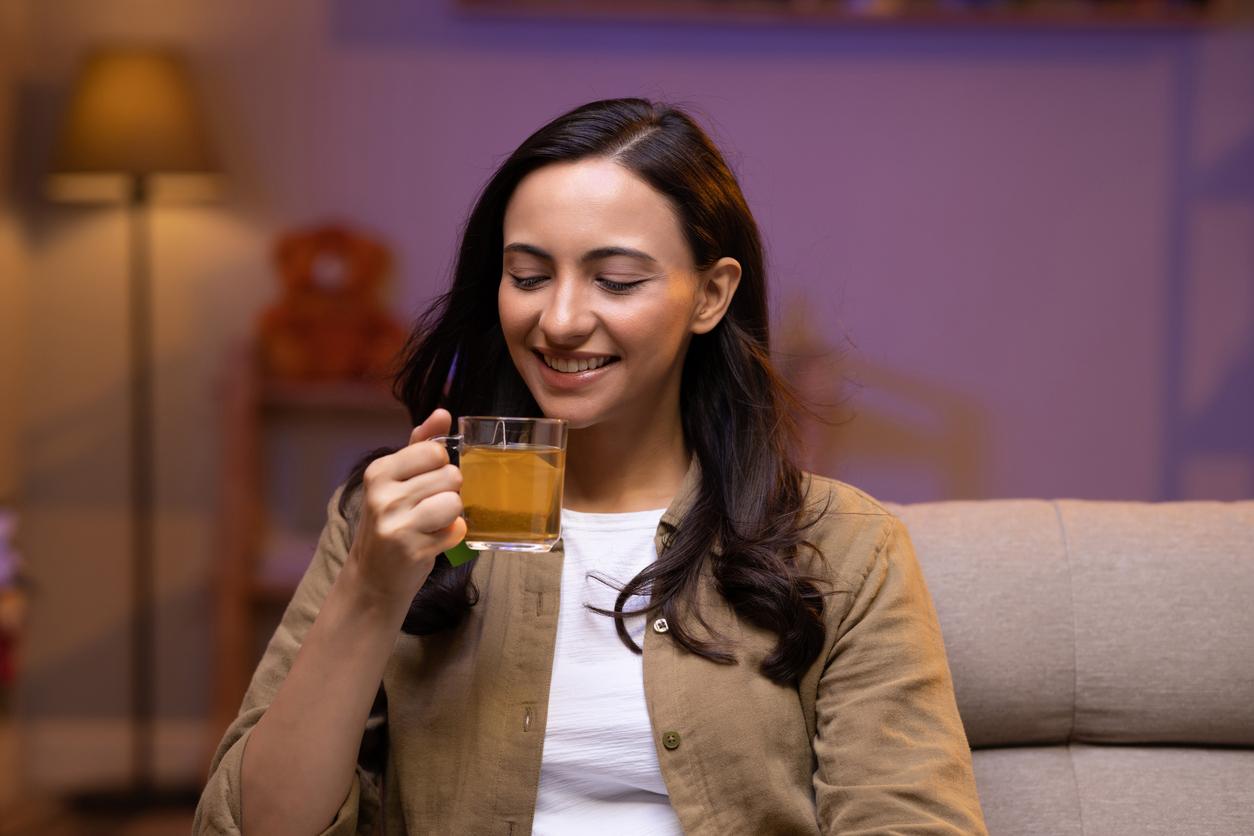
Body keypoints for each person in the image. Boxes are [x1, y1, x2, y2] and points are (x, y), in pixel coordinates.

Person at [194, 98, 987, 835]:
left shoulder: (845, 545)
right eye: (528, 276)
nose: (562, 320)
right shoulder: (392, 523)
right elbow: (255, 826)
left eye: (616, 280)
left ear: (711, 295)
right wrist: (368, 594)